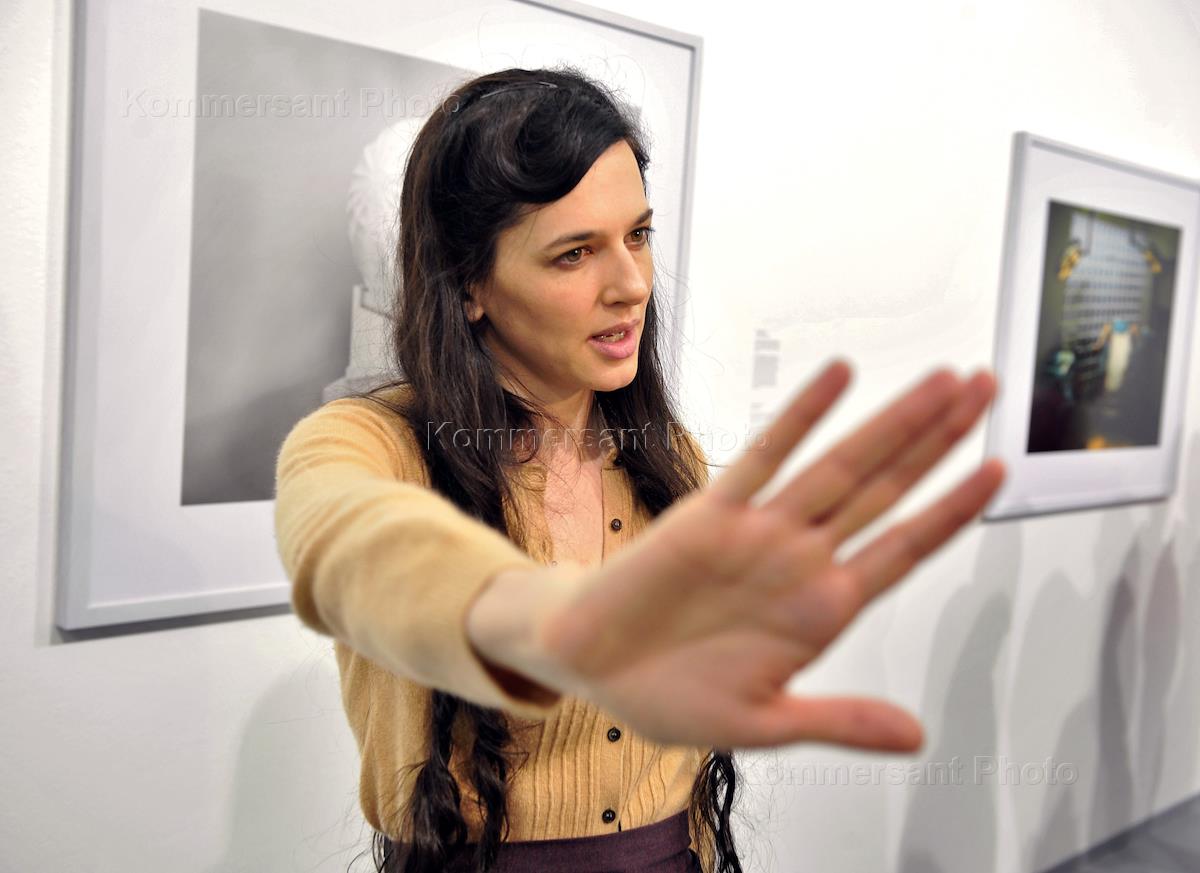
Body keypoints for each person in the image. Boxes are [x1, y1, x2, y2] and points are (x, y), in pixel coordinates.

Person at [272, 66, 1005, 873]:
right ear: (470, 282)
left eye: (639, 236)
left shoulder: (664, 458)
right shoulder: (370, 442)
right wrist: (528, 619)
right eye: (574, 253)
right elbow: (351, 546)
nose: (630, 285)